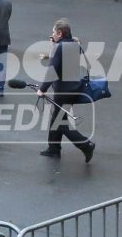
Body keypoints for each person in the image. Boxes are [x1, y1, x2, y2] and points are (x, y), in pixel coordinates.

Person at [37, 18, 95, 162]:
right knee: (57, 119)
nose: (52, 35)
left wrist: (42, 89)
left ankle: (85, 145)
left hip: (63, 91)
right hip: (74, 88)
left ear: (60, 33)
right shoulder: (75, 45)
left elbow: (53, 69)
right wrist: (55, 45)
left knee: (59, 123)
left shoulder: (60, 47)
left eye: (54, 32)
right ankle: (53, 149)